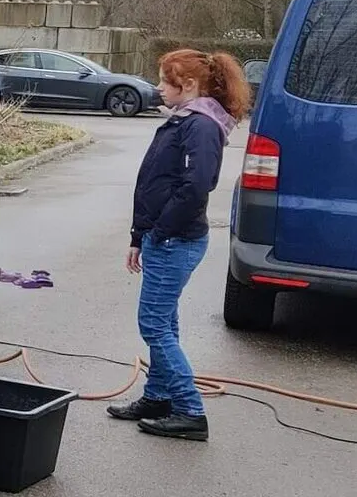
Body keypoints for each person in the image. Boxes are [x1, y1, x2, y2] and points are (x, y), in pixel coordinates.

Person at [106, 49, 252, 441]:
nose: (157, 88)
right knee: (164, 321)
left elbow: (195, 188)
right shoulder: (184, 121)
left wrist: (159, 232)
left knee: (153, 324)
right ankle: (157, 397)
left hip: (176, 241)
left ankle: (189, 409)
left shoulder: (200, 127)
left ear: (187, 85)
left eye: (163, 81)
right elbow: (156, 181)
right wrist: (139, 237)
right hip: (163, 239)